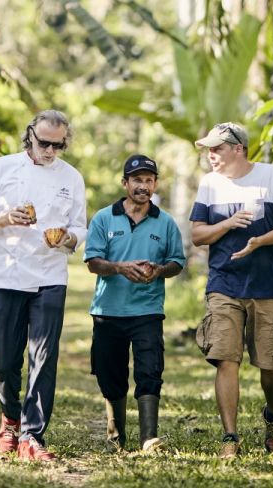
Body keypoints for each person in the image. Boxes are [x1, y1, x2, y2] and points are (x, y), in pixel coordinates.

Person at [0, 110, 87, 462]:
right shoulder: (1, 168)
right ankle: (10, 418)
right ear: (30, 136)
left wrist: (66, 238)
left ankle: (32, 436)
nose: (50, 151)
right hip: (7, 274)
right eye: (43, 143)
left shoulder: (72, 177)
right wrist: (2, 219)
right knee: (3, 356)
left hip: (50, 275)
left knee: (43, 358)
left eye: (57, 145)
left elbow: (80, 227)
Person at [189, 123, 273, 458]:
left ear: (238, 148)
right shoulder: (209, 184)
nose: (211, 155)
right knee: (226, 358)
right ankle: (230, 436)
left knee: (271, 364)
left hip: (267, 286)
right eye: (208, 149)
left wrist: (259, 241)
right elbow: (197, 235)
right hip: (224, 284)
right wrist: (227, 223)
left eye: (217, 149)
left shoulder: (271, 176)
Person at [84, 154, 186, 451]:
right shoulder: (104, 217)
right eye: (137, 180)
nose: (143, 186)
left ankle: (148, 438)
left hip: (148, 310)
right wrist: (120, 267)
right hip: (108, 311)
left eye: (149, 180)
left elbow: (177, 262)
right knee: (109, 374)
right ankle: (116, 435)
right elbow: (92, 262)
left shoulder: (165, 222)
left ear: (155, 184)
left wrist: (159, 271)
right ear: (125, 183)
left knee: (150, 371)